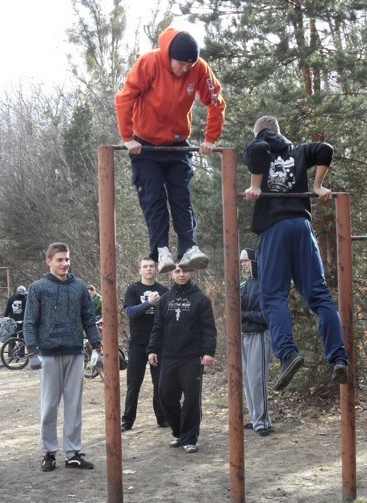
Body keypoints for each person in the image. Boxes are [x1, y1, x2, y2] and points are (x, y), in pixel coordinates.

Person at [242, 115, 349, 392]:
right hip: (302, 226)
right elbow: (325, 148)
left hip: (274, 229)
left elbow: (257, 150)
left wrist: (255, 186)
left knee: (272, 296)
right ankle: (338, 357)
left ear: (260, 132)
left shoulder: (259, 145)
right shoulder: (298, 151)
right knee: (319, 294)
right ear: (279, 132)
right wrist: (317, 185)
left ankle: (288, 354)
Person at [115, 27, 226, 274]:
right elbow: (125, 98)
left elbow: (216, 102)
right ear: (169, 56)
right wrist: (127, 137)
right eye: (181, 64)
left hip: (177, 144)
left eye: (190, 65)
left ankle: (188, 247)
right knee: (153, 198)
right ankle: (161, 249)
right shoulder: (150, 63)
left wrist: (210, 138)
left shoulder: (199, 69)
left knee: (181, 196)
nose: (185, 70)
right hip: (146, 145)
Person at [23, 242, 102, 472]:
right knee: (49, 406)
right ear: (49, 261)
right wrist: (31, 351)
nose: (64, 264)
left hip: (75, 352)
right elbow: (30, 321)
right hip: (49, 354)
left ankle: (73, 452)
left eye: (67, 259)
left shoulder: (78, 287)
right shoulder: (38, 288)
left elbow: (89, 318)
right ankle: (49, 452)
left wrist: (97, 347)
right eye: (59, 260)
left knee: (74, 405)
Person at [147, 266, 216, 453]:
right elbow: (158, 327)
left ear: (191, 272)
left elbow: (208, 328)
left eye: (185, 271)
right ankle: (178, 432)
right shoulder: (166, 299)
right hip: (168, 356)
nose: (181, 274)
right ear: (171, 273)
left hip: (192, 358)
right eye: (177, 271)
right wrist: (152, 349)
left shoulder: (200, 299)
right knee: (165, 395)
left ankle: (189, 438)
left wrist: (208, 352)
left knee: (192, 399)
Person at [121, 257, 170, 431]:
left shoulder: (164, 290)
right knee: (134, 384)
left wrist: (158, 305)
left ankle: (162, 418)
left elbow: (168, 317)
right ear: (140, 270)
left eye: (151, 266)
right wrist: (148, 303)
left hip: (158, 344)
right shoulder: (133, 290)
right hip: (138, 344)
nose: (149, 269)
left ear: (156, 269)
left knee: (160, 384)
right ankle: (127, 420)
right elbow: (131, 313)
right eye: (145, 267)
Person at [239, 248, 273, 436]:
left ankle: (263, 421)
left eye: (246, 260)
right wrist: (245, 317)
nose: (243, 264)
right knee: (247, 379)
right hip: (244, 336)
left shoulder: (266, 284)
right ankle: (255, 418)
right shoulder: (244, 284)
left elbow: (266, 316)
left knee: (257, 379)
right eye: (242, 261)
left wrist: (244, 315)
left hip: (260, 335)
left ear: (254, 261)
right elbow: (233, 310)